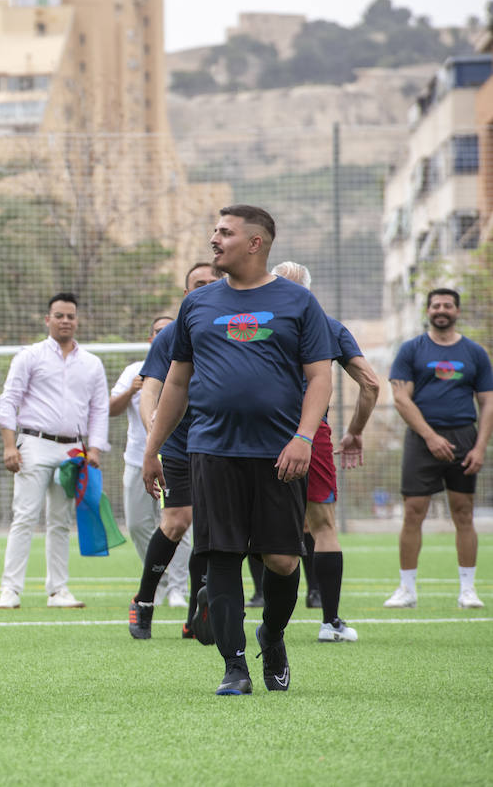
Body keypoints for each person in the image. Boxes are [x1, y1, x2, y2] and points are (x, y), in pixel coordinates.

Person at [144, 205, 334, 696]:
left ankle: (271, 636)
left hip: (279, 454)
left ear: (255, 243)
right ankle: (234, 667)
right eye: (214, 230)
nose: (214, 239)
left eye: (224, 232)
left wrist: (303, 438)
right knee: (220, 557)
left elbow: (320, 378)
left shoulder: (298, 303)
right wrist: (152, 449)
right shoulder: (197, 304)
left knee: (283, 562)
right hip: (212, 450)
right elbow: (177, 382)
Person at [270, 261, 380, 642]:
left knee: (248, 524)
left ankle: (230, 612)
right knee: (323, 525)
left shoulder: (251, 324)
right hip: (310, 433)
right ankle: (330, 622)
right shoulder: (328, 327)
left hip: (252, 434)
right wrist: (354, 432)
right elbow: (370, 384)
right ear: (308, 292)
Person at [0, 292, 110, 610]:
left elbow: (99, 410)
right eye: (59, 315)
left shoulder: (91, 364)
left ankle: (58, 590)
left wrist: (95, 450)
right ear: (48, 319)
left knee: (60, 521)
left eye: (70, 316)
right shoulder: (29, 356)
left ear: (77, 320)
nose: (65, 321)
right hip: (33, 443)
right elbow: (9, 399)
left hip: (73, 450)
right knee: (25, 516)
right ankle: (10, 590)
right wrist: (9, 445)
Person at [384, 288, 493, 610]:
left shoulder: (475, 353)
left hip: (464, 438)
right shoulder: (411, 350)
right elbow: (401, 398)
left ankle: (468, 590)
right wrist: (430, 436)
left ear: (457, 311)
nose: (441, 310)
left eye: (447, 305)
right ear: (427, 310)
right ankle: (407, 590)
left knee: (463, 512)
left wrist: (480, 446)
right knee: (413, 513)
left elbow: (487, 402)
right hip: (421, 440)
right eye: (435, 305)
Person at [128, 263, 219, 640]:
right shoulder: (174, 334)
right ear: (186, 294)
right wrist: (156, 435)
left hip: (222, 443)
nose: (207, 288)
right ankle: (144, 600)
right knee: (178, 520)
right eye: (198, 284)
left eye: (213, 282)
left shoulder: (235, 329)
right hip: (181, 444)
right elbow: (151, 389)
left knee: (214, 529)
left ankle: (196, 615)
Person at [111, 317, 188, 614]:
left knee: (179, 523)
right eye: (158, 331)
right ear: (150, 337)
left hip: (176, 459)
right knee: (138, 524)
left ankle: (179, 588)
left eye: (168, 330)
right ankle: (158, 580)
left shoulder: (189, 365)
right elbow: (110, 409)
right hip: (137, 459)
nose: (163, 335)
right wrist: (132, 390)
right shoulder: (134, 371)